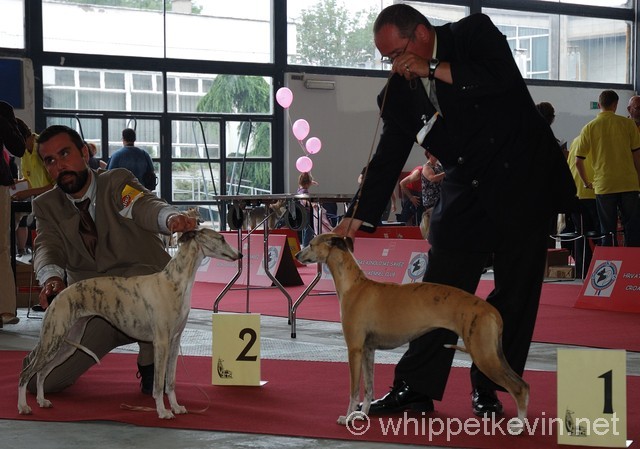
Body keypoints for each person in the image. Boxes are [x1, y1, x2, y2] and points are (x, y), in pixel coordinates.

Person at [333, 4, 576, 417]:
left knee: (514, 297)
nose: (393, 66)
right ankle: (414, 387)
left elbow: (504, 81)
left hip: (523, 183)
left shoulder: (474, 34)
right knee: (434, 293)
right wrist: (357, 215)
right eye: (387, 59)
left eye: (395, 54)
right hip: (467, 190)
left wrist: (432, 68)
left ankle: (492, 385)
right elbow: (389, 154)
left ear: (421, 36)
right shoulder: (398, 92)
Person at [25, 125, 197, 395]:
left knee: (152, 295)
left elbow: (144, 206)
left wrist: (170, 218)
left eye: (65, 154)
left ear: (84, 153)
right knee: (42, 383)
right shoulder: (46, 205)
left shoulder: (117, 183)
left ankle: (151, 361)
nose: (60, 165)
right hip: (95, 307)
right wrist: (52, 280)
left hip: (144, 298)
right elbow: (48, 246)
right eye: (50, 161)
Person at [574, 90, 640, 247]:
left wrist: (586, 182)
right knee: (632, 228)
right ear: (616, 105)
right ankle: (632, 267)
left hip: (604, 186)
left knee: (607, 230)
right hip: (629, 184)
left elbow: (578, 161)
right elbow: (637, 156)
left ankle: (609, 266)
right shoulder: (628, 124)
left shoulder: (589, 128)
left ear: (599, 105)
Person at [11, 119, 54, 257]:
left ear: (21, 137)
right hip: (42, 203)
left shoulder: (45, 147)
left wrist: (28, 192)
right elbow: (28, 179)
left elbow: (56, 186)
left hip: (57, 204)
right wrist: (13, 183)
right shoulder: (24, 152)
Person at [0, 101, 26, 328]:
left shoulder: (2, 109)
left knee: (1, 247)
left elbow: (18, 147)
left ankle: (5, 308)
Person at [567, 137, 600, 278]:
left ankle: (582, 272)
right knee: (602, 234)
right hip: (593, 192)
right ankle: (604, 269)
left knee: (580, 234)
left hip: (576, 194)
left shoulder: (576, 140)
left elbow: (570, 164)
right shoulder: (598, 140)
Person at [419, 151, 444, 239]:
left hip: (440, 199)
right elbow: (432, 178)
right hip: (431, 200)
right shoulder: (426, 167)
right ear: (429, 154)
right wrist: (446, 173)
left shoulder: (438, 166)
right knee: (432, 223)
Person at [296, 171, 317, 247]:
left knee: (305, 229)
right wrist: (311, 203)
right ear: (307, 184)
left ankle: (305, 245)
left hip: (301, 213)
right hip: (306, 212)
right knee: (309, 230)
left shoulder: (299, 189)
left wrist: (312, 182)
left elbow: (305, 183)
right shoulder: (304, 192)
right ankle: (305, 246)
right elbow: (304, 201)